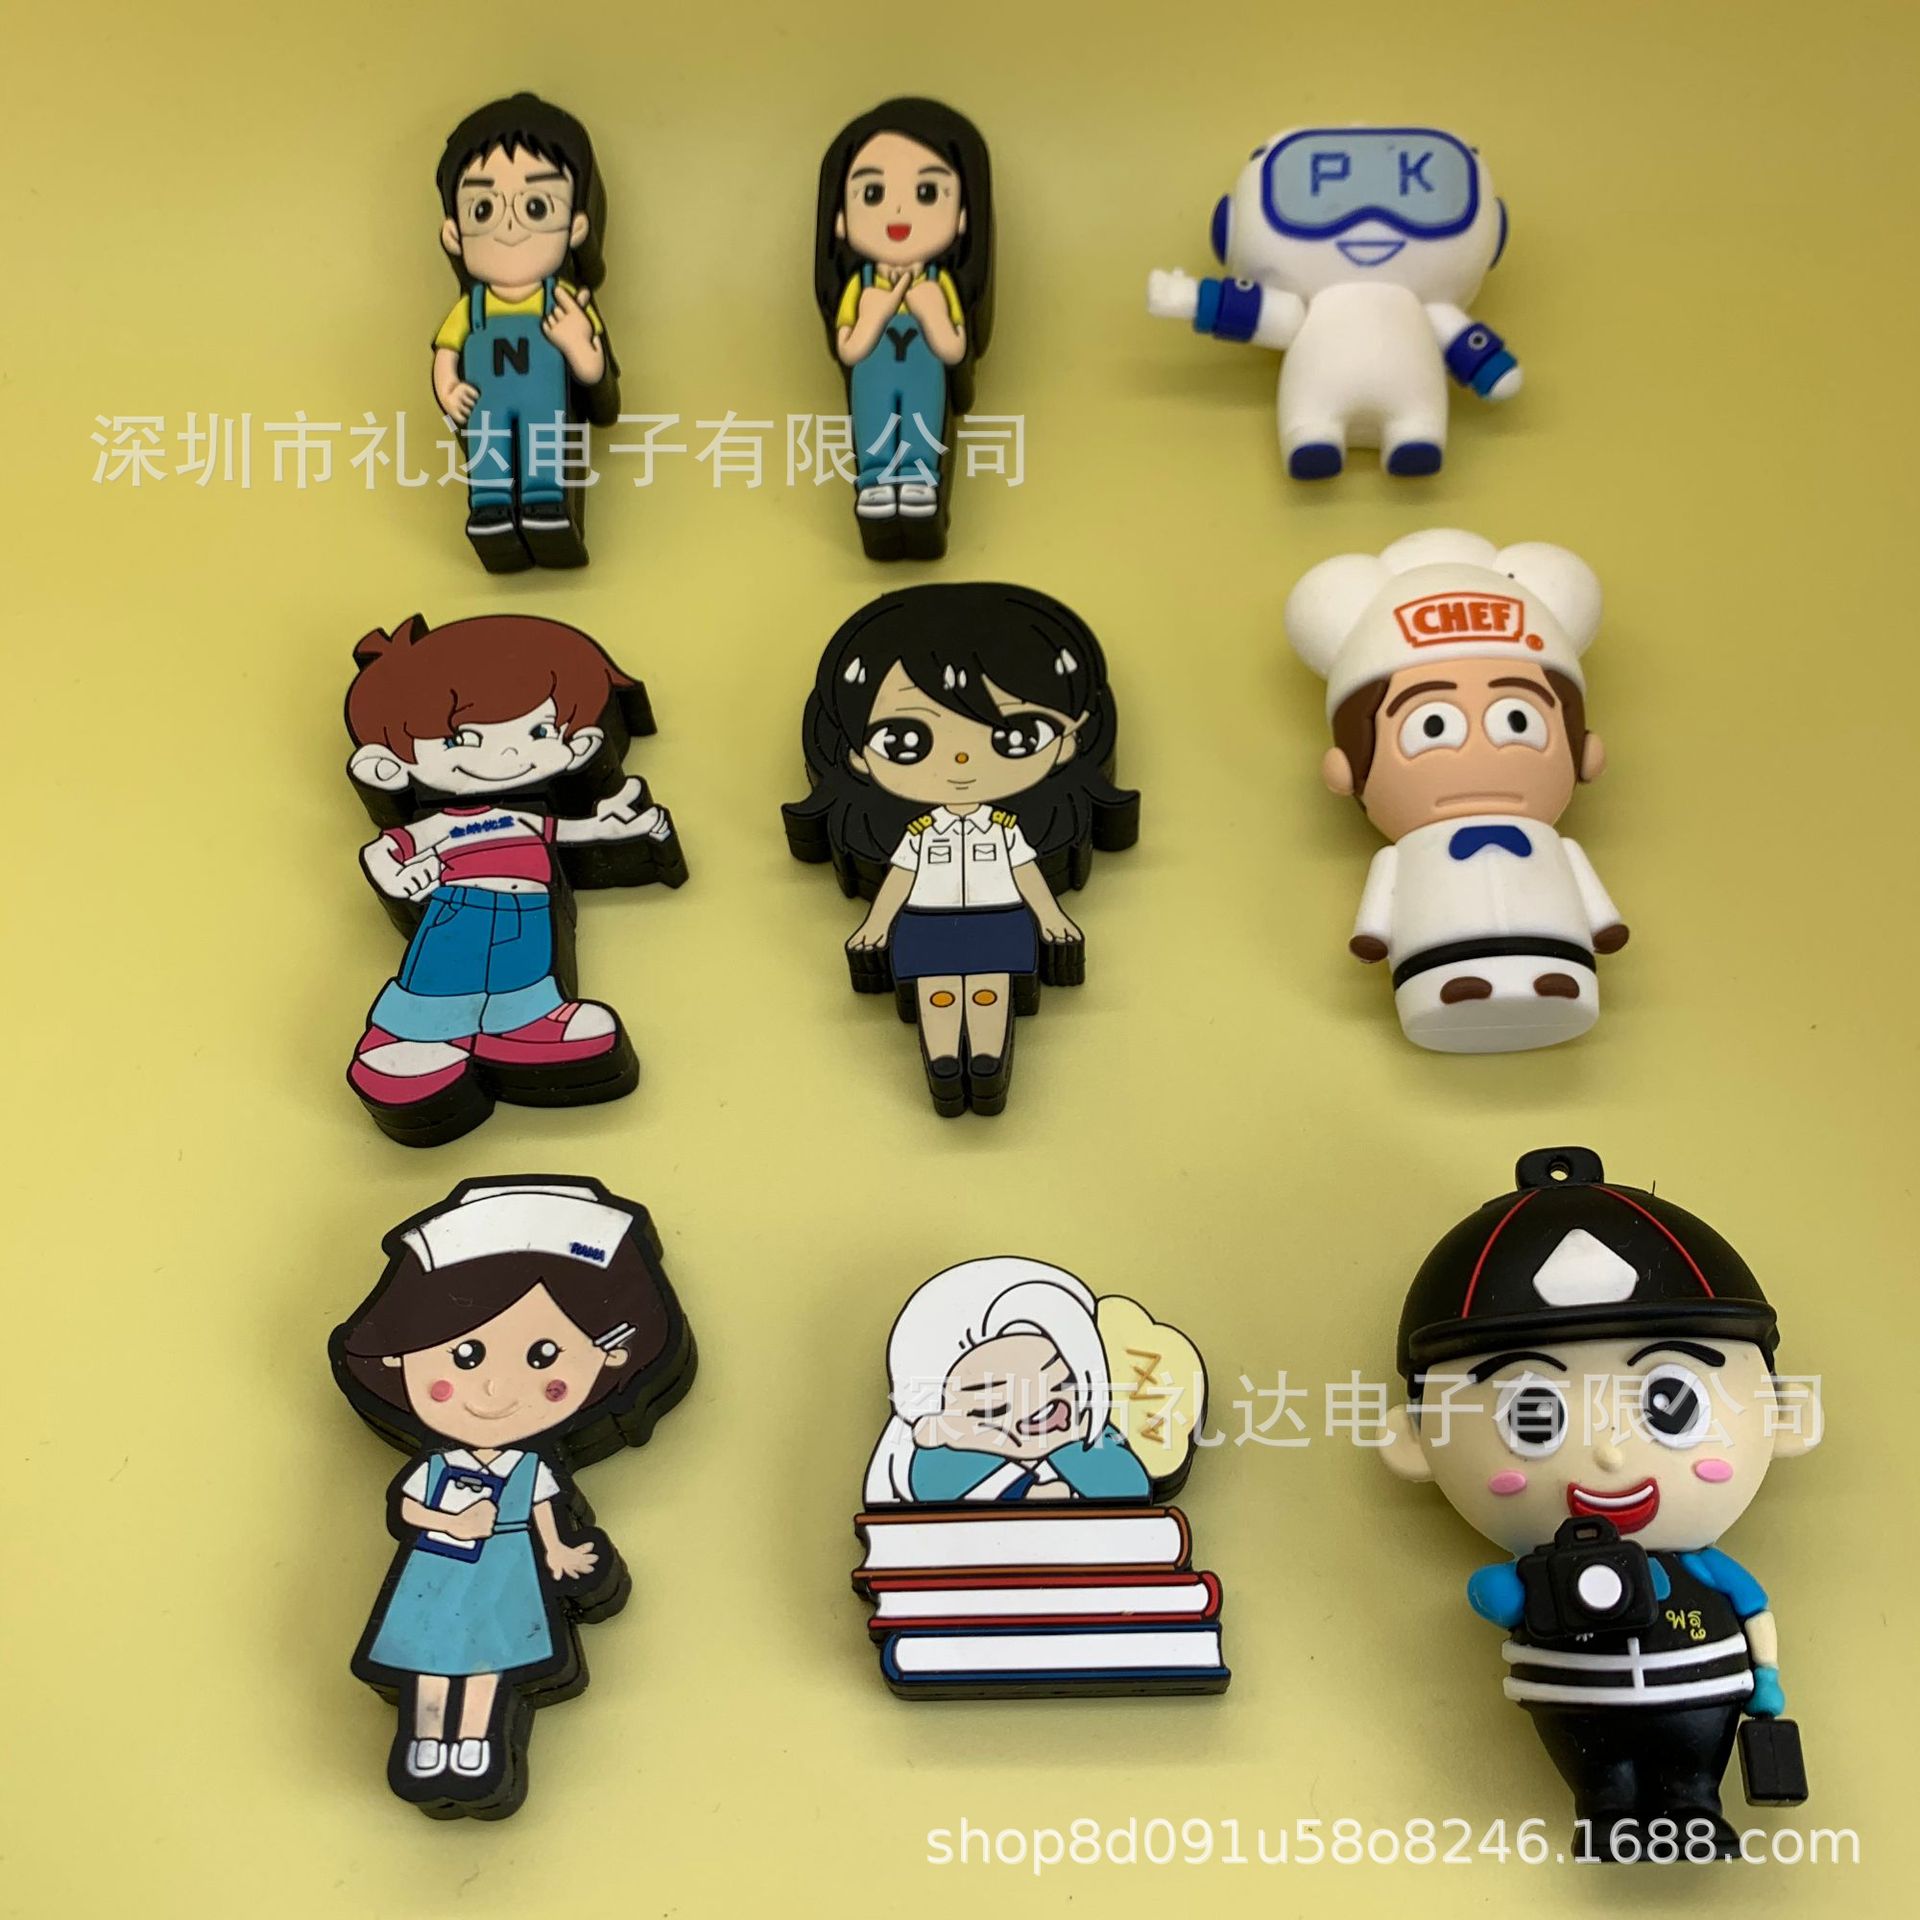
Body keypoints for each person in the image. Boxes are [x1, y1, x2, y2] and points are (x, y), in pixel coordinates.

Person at [1379, 1147, 1815, 1861]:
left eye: (1670, 1402)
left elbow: (1755, 1612)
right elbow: (1497, 1597)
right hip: (1578, 1708)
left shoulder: (1707, 1569)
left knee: (1692, 1780)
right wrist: (1510, 1591)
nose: (1609, 1453)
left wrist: (1766, 1680)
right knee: (1603, 1782)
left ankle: (1695, 1807)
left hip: (1700, 1698)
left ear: (1786, 1415)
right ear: (1414, 1443)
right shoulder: (1541, 1570)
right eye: (1532, 1415)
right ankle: (1606, 1811)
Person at [331, 1177, 694, 1819]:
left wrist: (559, 1554)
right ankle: (427, 1740)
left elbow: (547, 1515)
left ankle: (473, 1742)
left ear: (612, 1358)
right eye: (465, 1354)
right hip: (435, 1570)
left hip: (506, 1573)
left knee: (489, 1660)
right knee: (430, 1655)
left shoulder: (532, 1468)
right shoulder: (435, 1464)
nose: (496, 1388)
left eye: (543, 1355)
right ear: (396, 1356)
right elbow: (407, 1510)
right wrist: (448, 1521)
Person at [783, 584, 1137, 1116]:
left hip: (1001, 916)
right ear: (855, 755)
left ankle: (987, 1056)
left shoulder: (1005, 828)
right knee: (939, 991)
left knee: (991, 989)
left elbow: (1026, 870)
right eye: (907, 740)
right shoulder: (920, 832)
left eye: (1014, 736)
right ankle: (945, 1058)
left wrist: (1050, 917)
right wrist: (876, 924)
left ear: (1069, 740)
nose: (963, 762)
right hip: (926, 920)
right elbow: (900, 877)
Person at [344, 612, 682, 1142]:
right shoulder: (439, 824)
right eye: (462, 739)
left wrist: (618, 826)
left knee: (524, 972)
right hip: (460, 911)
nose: (506, 753)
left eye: (539, 731)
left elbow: (570, 833)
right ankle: (408, 1040)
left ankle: (525, 1024)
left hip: (528, 914)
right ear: (387, 764)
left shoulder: (523, 818)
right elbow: (383, 851)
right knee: (441, 976)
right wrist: (400, 878)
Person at [1286, 528, 1626, 1052]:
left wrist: (1602, 925)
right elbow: (1380, 911)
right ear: (1345, 770)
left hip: (1559, 952)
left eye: (1518, 720)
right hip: (1434, 963)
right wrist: (1374, 935)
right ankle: (1456, 986)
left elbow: (1593, 903)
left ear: (1585, 752)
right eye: (1433, 727)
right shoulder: (1403, 857)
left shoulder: (1556, 847)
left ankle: (1554, 982)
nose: (1479, 751)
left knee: (1558, 978)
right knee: (1447, 984)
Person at [432, 94, 619, 570]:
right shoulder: (471, 308)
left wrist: (578, 345)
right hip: (486, 405)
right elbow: (447, 352)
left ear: (576, 226)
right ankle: (491, 510)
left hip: (544, 405)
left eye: (536, 206)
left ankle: (545, 506)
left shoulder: (565, 303)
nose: (510, 227)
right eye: (483, 209)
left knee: (543, 445)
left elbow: (596, 382)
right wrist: (448, 389)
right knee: (489, 453)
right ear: (454, 233)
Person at [813, 99, 993, 558]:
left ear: (962, 217)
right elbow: (848, 350)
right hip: (873, 372)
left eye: (927, 192)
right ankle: (875, 480)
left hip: (923, 372)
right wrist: (875, 314)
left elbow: (954, 350)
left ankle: (917, 479)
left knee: (920, 418)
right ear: (840, 219)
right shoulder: (860, 288)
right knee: (874, 418)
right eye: (872, 194)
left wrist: (933, 314)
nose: (897, 209)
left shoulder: (939, 286)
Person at [864, 1258, 1151, 1504]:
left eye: (1062, 1384)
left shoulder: (1091, 1439)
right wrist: (1023, 1491)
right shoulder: (945, 1459)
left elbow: (1129, 1485)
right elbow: (933, 1485)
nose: (1040, 1407)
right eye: (994, 1405)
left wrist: (1074, 1443)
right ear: (934, 1429)